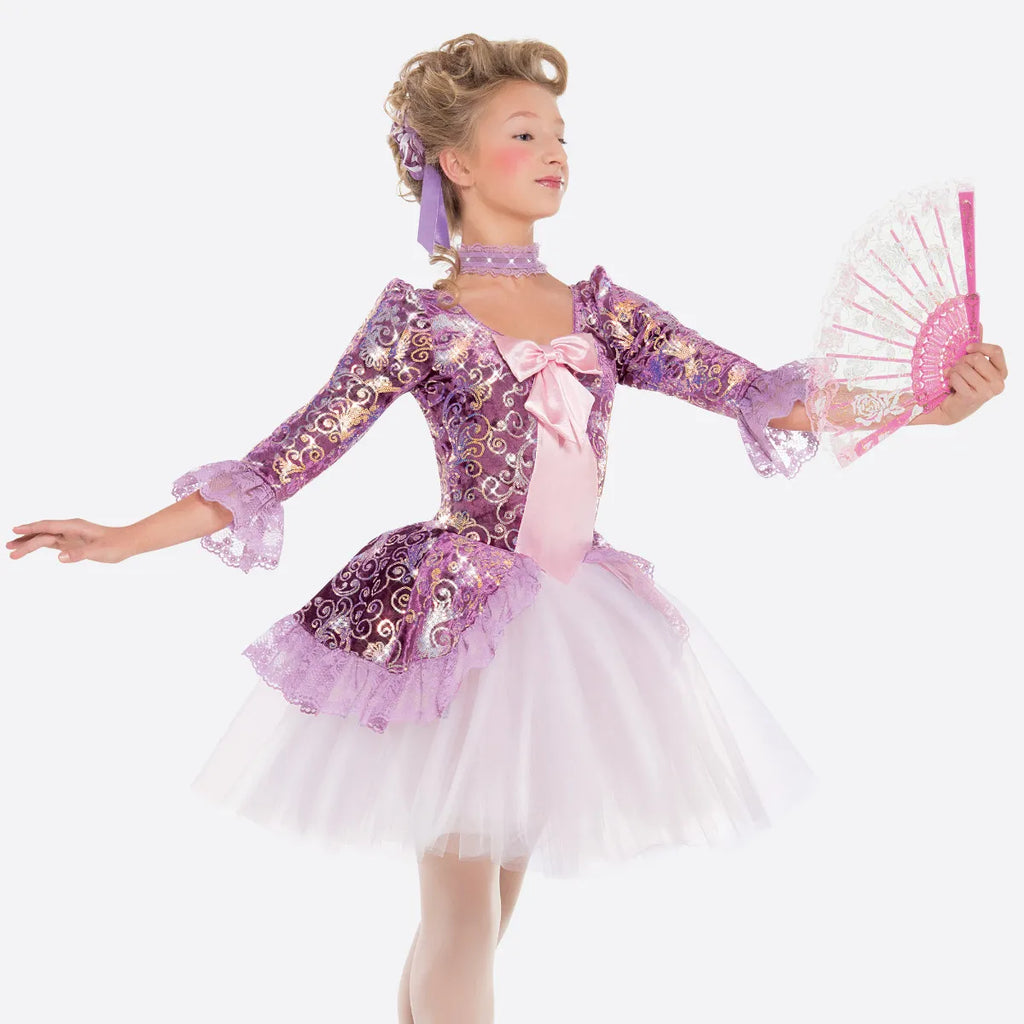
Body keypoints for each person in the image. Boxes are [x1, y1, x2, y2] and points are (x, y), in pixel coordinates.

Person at [6, 32, 1007, 1024]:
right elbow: (293, 453)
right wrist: (124, 537)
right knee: (459, 916)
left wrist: (928, 408)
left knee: (484, 919)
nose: (554, 152)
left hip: (568, 624)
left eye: (561, 134)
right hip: (460, 623)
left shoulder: (603, 312)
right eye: (524, 133)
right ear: (455, 162)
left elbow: (759, 393)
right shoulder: (420, 321)